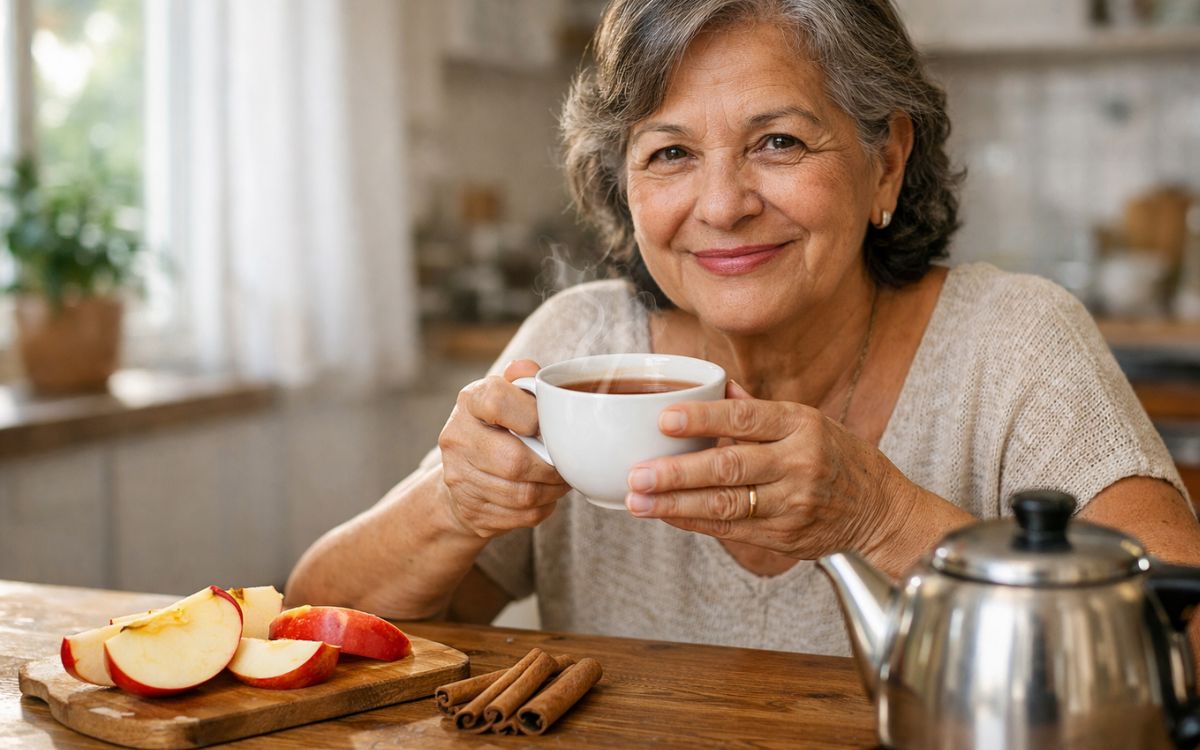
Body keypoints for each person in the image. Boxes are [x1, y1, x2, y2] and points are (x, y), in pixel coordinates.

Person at [286, 0, 1200, 656]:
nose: (720, 205)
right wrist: (453, 503)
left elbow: (1184, 637)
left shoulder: (1014, 340)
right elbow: (311, 627)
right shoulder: (575, 350)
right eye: (671, 153)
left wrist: (883, 515)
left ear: (887, 161)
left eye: (779, 142)